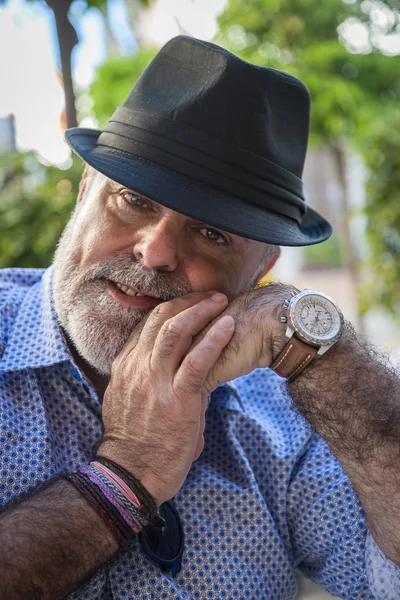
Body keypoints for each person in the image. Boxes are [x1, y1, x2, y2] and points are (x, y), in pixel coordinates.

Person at [0, 35, 399, 600]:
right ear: (85, 189)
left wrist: (321, 341)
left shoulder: (282, 420)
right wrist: (126, 477)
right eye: (134, 201)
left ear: (262, 267)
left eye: (212, 234)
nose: (156, 252)